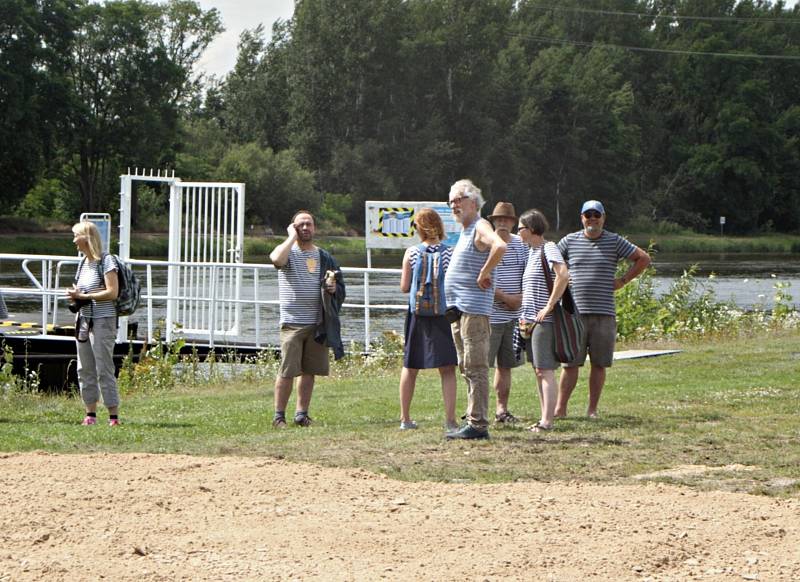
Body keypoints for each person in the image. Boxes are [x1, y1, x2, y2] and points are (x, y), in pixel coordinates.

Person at [554, 200, 651, 418]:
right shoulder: (569, 241)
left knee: (599, 364)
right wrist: (559, 282)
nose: (592, 219)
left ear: (603, 218)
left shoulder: (614, 241)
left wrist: (624, 280)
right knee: (570, 364)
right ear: (581, 218)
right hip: (573, 313)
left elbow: (643, 258)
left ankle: (592, 410)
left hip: (604, 314)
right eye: (587, 215)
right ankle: (560, 410)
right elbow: (550, 261)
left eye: (596, 215)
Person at [269, 211, 345, 428]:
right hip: (292, 323)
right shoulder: (288, 253)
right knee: (287, 371)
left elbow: (340, 285)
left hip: (317, 323)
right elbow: (276, 259)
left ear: (315, 228)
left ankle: (301, 414)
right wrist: (290, 237)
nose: (305, 228)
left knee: (309, 371)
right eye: (300, 224)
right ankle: (278, 417)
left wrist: (333, 288)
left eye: (309, 224)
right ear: (293, 227)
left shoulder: (324, 256)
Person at [444, 179, 507, 440]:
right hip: (460, 311)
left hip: (474, 311)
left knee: (476, 365)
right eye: (451, 202)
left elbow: (500, 245)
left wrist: (485, 271)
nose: (454, 206)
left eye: (458, 200)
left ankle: (478, 424)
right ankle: (472, 417)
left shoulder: (480, 225)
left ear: (473, 202)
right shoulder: (465, 231)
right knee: (466, 365)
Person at [398, 208, 458, 432]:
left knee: (410, 366)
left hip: (417, 315)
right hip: (443, 315)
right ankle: (450, 420)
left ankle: (405, 418)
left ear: (419, 228)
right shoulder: (449, 253)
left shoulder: (412, 253)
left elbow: (405, 287)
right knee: (448, 368)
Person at [517, 209, 569, 432]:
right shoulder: (531, 252)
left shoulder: (548, 248)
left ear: (531, 229)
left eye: (519, 228)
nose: (517, 232)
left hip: (543, 321)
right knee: (538, 369)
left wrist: (549, 306)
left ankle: (547, 421)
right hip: (527, 320)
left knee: (544, 369)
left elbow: (563, 274)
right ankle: (543, 417)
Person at [67, 221, 121, 426]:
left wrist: (85, 296)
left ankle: (113, 416)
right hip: (83, 320)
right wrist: (76, 297)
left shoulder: (106, 261)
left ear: (86, 238)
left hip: (103, 321)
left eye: (76, 236)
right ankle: (90, 415)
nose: (74, 240)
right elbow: (83, 293)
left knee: (103, 367)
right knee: (85, 368)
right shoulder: (83, 263)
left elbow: (112, 292)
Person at [486, 202, 528, 424]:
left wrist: (520, 299)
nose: (502, 223)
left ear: (513, 222)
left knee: (506, 365)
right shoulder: (484, 243)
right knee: (481, 366)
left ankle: (502, 410)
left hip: (514, 317)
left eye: (506, 220)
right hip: (489, 317)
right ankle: (477, 410)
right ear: (493, 222)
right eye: (498, 220)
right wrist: (506, 298)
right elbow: (481, 279)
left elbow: (528, 274)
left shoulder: (522, 245)